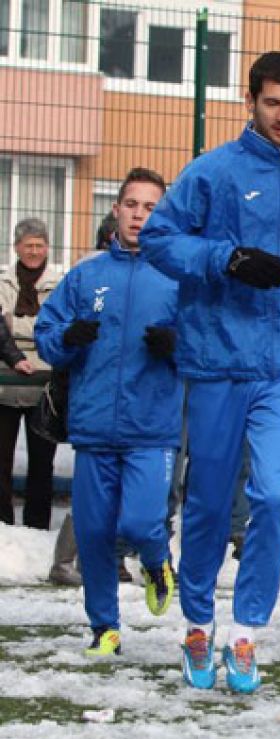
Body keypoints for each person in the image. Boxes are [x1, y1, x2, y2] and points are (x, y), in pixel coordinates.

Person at [140, 51, 280, 693]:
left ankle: (247, 631)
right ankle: (199, 621)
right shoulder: (214, 171)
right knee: (207, 499)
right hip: (216, 359)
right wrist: (223, 259)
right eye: (273, 103)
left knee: (274, 496)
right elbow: (158, 237)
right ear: (251, 101)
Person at [34, 167, 181, 656]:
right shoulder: (85, 275)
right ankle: (104, 628)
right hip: (94, 427)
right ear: (116, 210)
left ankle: (157, 560)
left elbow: (206, 344)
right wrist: (66, 340)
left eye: (151, 207)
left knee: (140, 524)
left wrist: (177, 346)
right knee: (94, 534)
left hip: (152, 429)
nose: (140, 215)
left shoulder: (179, 278)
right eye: (132, 205)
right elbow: (48, 336)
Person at [0, 217, 61, 530]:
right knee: (1, 460)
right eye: (28, 246)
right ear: (17, 248)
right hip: (5, 386)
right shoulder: (4, 282)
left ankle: (38, 526)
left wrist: (15, 324)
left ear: (47, 247)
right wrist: (35, 328)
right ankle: (3, 524)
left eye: (39, 245)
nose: (34, 251)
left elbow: (56, 328)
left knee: (42, 462)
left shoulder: (60, 284)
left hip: (44, 386)